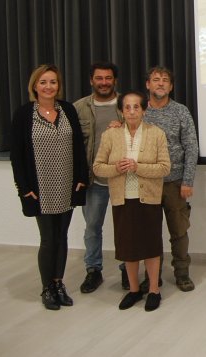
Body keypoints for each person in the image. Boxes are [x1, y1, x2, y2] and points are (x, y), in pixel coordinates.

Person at [10, 64, 88, 310]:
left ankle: (58, 283)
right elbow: (17, 156)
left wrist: (81, 178)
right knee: (48, 239)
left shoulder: (67, 110)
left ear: (58, 85)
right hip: (39, 188)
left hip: (67, 184)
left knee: (62, 237)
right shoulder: (24, 114)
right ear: (35, 85)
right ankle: (47, 288)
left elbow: (78, 147)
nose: (48, 86)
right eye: (43, 82)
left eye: (53, 82)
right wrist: (24, 188)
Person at [93, 91, 171, 311]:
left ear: (144, 110)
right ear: (121, 110)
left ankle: (154, 289)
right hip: (123, 199)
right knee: (128, 246)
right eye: (127, 107)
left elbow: (165, 168)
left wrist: (138, 167)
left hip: (149, 199)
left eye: (136, 107)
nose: (132, 111)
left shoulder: (156, 134)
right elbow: (98, 167)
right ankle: (134, 290)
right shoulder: (111, 135)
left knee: (151, 246)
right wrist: (115, 168)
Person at [143, 66, 199, 292]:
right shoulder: (138, 111)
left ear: (171, 86)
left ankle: (182, 273)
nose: (160, 84)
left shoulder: (180, 111)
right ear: (148, 84)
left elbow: (191, 147)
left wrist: (187, 181)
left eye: (165, 80)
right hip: (146, 183)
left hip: (175, 183)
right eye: (155, 80)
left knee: (179, 231)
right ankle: (152, 275)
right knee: (149, 232)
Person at [74, 62, 122, 293]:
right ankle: (93, 270)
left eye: (108, 78)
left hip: (124, 179)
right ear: (91, 80)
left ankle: (127, 269)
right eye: (99, 78)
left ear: (115, 80)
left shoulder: (128, 105)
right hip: (94, 181)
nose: (104, 82)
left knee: (125, 226)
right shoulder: (79, 108)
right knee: (92, 227)